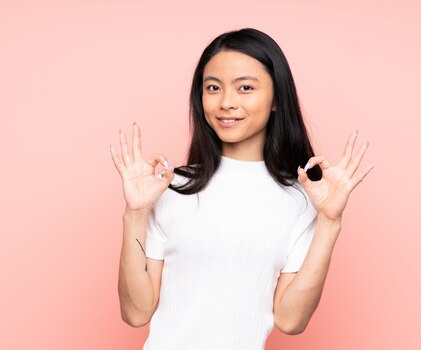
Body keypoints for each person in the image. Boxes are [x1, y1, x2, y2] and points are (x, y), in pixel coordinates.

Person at [110, 27, 374, 350]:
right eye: (213, 88)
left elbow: (291, 321)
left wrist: (330, 222)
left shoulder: (301, 200)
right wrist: (135, 212)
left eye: (245, 88)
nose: (226, 103)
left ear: (277, 99)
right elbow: (136, 313)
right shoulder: (170, 188)